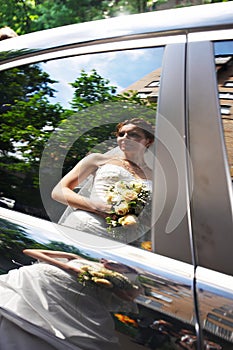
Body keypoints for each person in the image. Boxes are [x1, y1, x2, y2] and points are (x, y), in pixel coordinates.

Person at [0, 249, 140, 350]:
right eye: (108, 259)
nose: (108, 262)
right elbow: (29, 251)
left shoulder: (120, 280)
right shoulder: (78, 258)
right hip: (38, 282)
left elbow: (128, 298)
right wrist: (66, 262)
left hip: (75, 301)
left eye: (119, 264)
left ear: (126, 269)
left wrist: (111, 284)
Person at [52, 118, 155, 244]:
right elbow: (59, 191)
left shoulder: (155, 177)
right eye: (121, 134)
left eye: (133, 134)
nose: (125, 137)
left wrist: (134, 217)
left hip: (125, 239)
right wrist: (99, 207)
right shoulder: (97, 160)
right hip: (85, 226)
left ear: (148, 141)